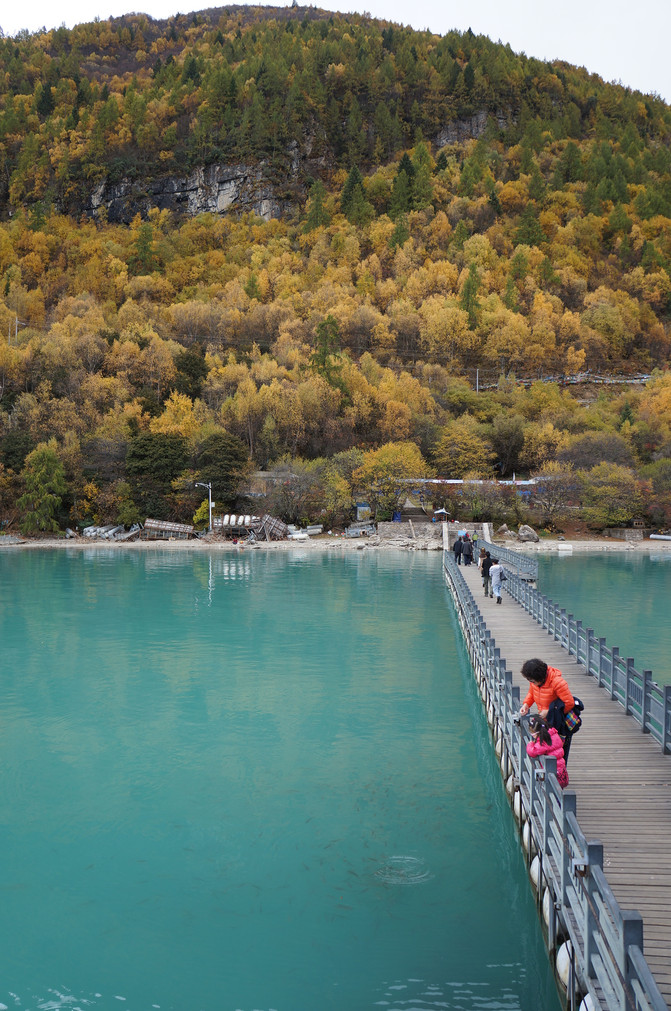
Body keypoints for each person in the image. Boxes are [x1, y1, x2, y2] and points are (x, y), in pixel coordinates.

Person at [519, 658, 576, 760]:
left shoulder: (557, 682)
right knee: (546, 748)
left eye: (532, 681)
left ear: (540, 678)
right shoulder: (535, 682)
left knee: (559, 752)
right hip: (545, 722)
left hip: (559, 723)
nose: (531, 682)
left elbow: (569, 703)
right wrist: (526, 704)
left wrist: (549, 712)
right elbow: (532, 693)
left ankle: (559, 774)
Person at [526, 715, 568, 788]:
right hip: (562, 772)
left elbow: (533, 752)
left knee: (552, 793)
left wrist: (530, 744)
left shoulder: (544, 742)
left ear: (537, 733)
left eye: (532, 733)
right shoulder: (553, 735)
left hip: (553, 773)